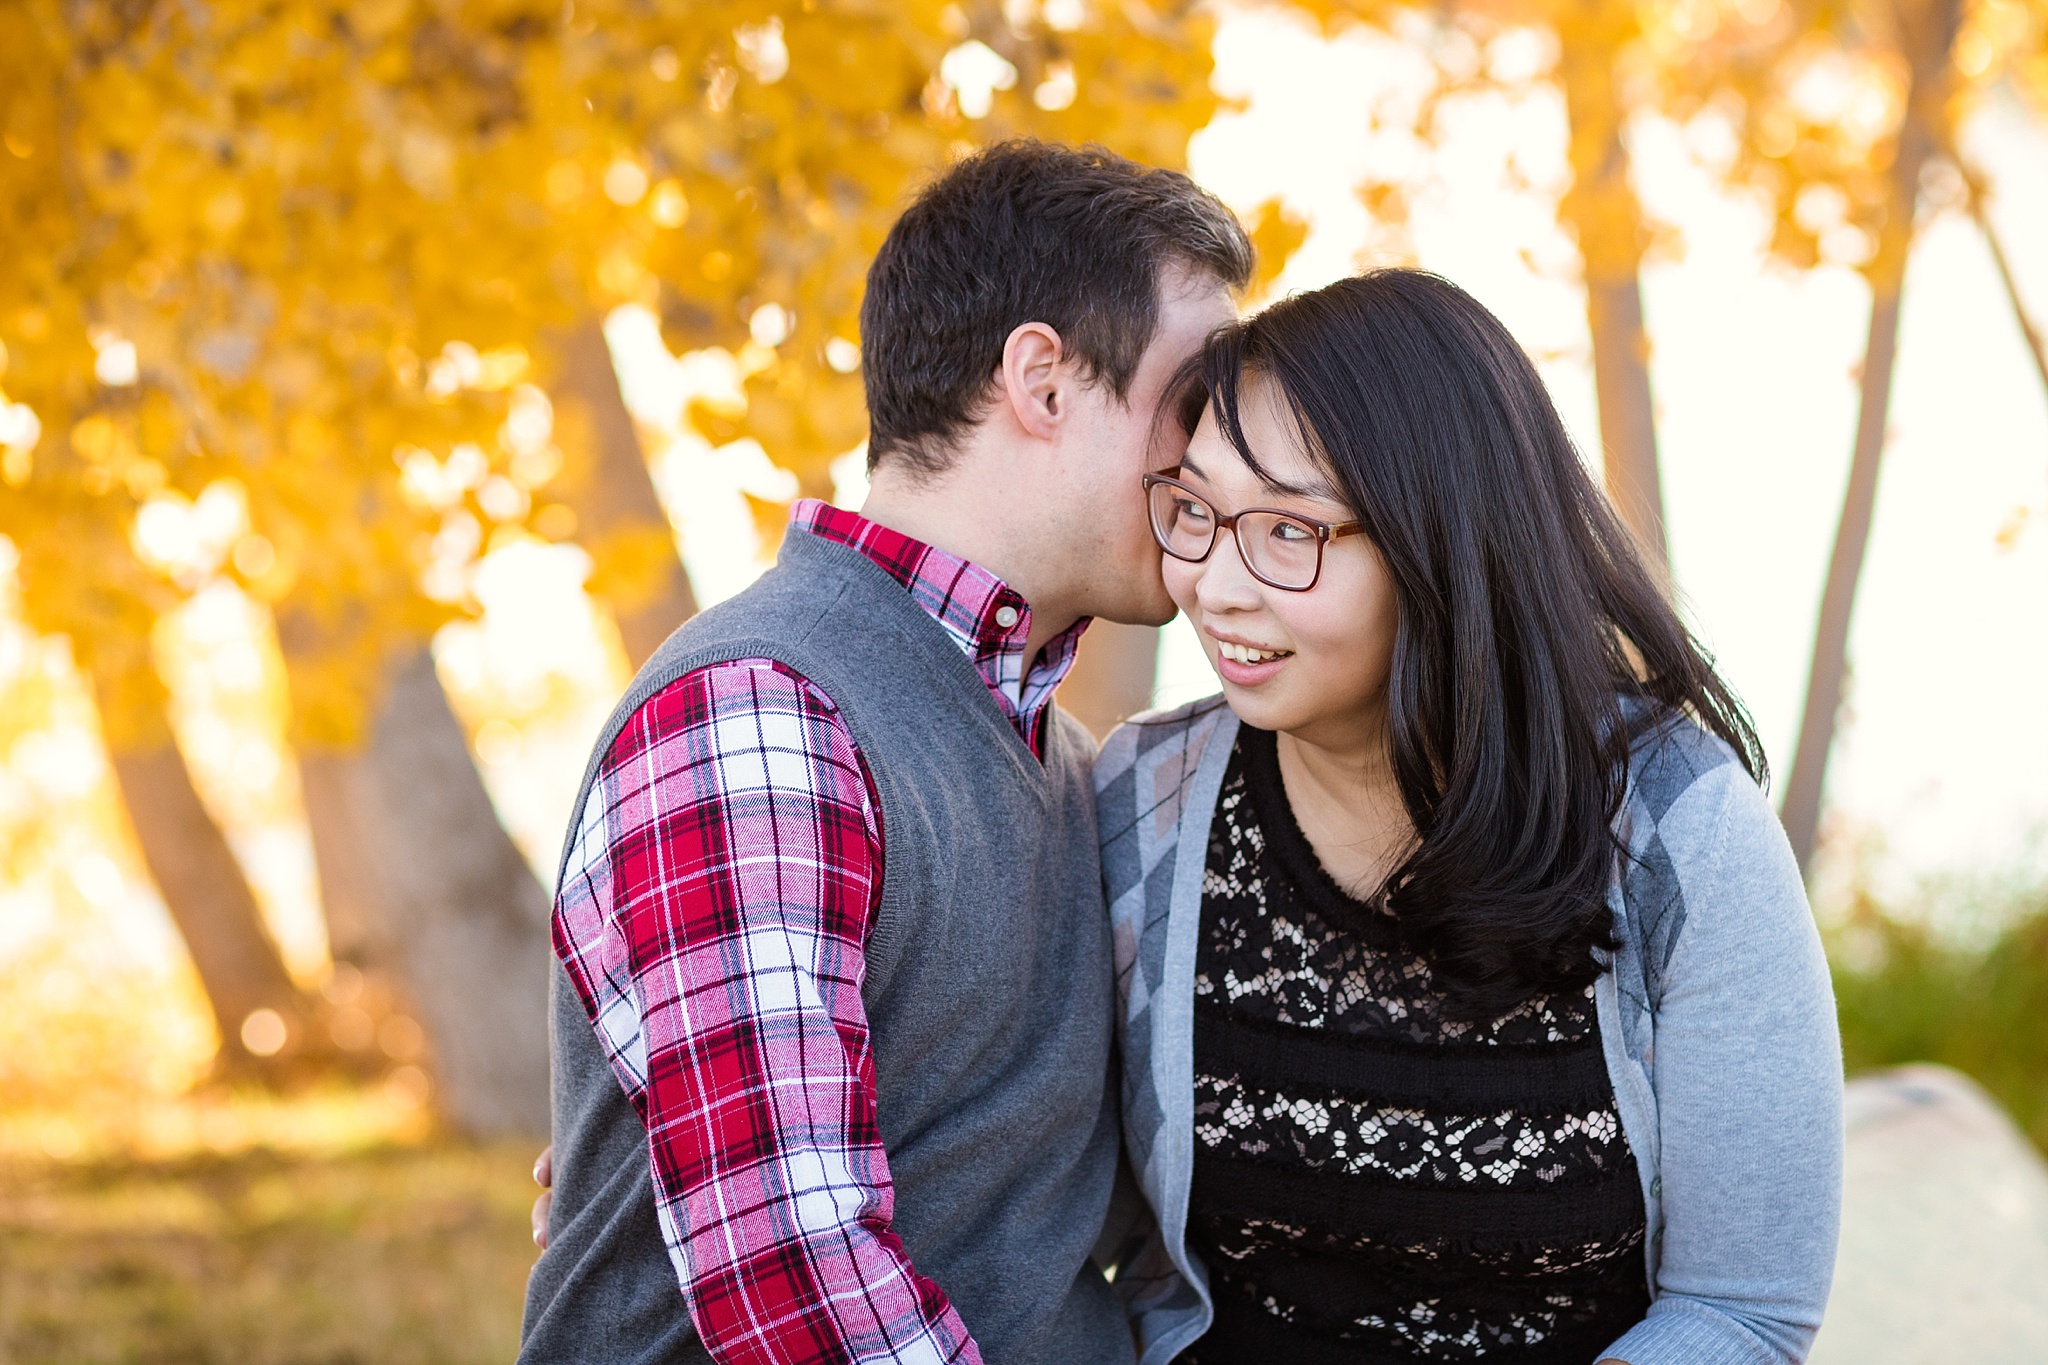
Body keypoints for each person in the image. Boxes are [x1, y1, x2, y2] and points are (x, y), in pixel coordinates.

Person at [518, 141, 1252, 1365]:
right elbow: (792, 1287)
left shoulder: (1069, 765)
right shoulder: (760, 713)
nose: (1217, 462)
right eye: (1192, 402)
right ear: (1043, 381)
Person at [1095, 270, 1843, 1364]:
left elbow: (1742, 1309)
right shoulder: (1145, 805)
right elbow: (1080, 1239)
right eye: (1196, 512)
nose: (1213, 584)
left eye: (1289, 533)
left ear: (1437, 544)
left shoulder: (1677, 832)